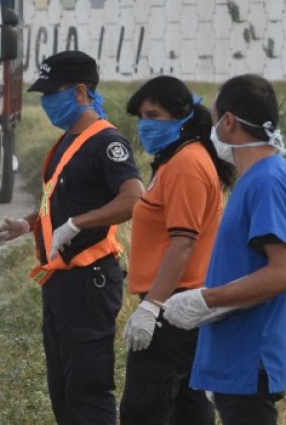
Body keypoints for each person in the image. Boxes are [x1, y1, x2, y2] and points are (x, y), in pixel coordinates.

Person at [0, 50, 144, 424]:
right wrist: (29, 224)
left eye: (52, 93)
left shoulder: (107, 143)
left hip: (89, 281)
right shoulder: (67, 142)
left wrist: (77, 224)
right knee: (63, 390)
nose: (46, 103)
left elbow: (133, 198)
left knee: (88, 391)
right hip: (61, 281)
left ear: (80, 92)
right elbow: (60, 202)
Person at [161, 74, 286, 425]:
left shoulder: (267, 181)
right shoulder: (259, 177)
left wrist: (204, 300)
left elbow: (283, 273)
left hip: (250, 356)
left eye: (214, 121)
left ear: (228, 121)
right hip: (238, 355)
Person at [119, 76, 236, 424]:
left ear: (182, 116)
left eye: (154, 115)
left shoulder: (187, 165)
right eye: (142, 116)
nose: (146, 125)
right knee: (188, 408)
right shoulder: (177, 160)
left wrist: (151, 307)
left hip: (172, 306)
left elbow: (183, 242)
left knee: (145, 408)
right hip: (179, 303)